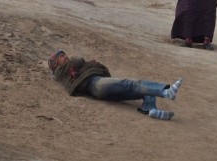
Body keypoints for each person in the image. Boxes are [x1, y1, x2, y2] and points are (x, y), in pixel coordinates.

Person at [48, 50, 183, 121]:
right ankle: (166, 92)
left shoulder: (67, 69)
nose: (65, 57)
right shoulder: (60, 72)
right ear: (56, 64)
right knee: (130, 83)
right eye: (61, 56)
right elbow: (78, 60)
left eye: (64, 54)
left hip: (99, 89)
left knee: (143, 90)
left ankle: (151, 109)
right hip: (95, 84)